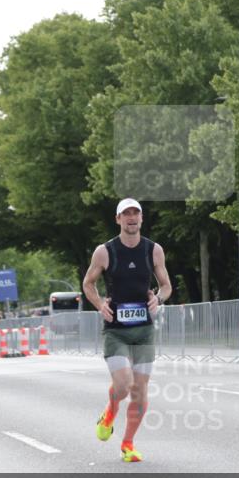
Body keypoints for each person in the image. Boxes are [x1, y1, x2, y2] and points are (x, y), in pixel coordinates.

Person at [82, 198, 172, 463]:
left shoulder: (153, 250)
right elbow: (88, 283)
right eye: (126, 214)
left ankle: (128, 444)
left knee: (140, 390)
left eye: (136, 213)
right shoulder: (105, 251)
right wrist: (100, 304)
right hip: (116, 331)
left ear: (141, 218)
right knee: (123, 385)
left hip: (144, 330)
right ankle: (110, 412)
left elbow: (166, 285)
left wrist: (159, 298)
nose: (132, 218)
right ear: (118, 219)